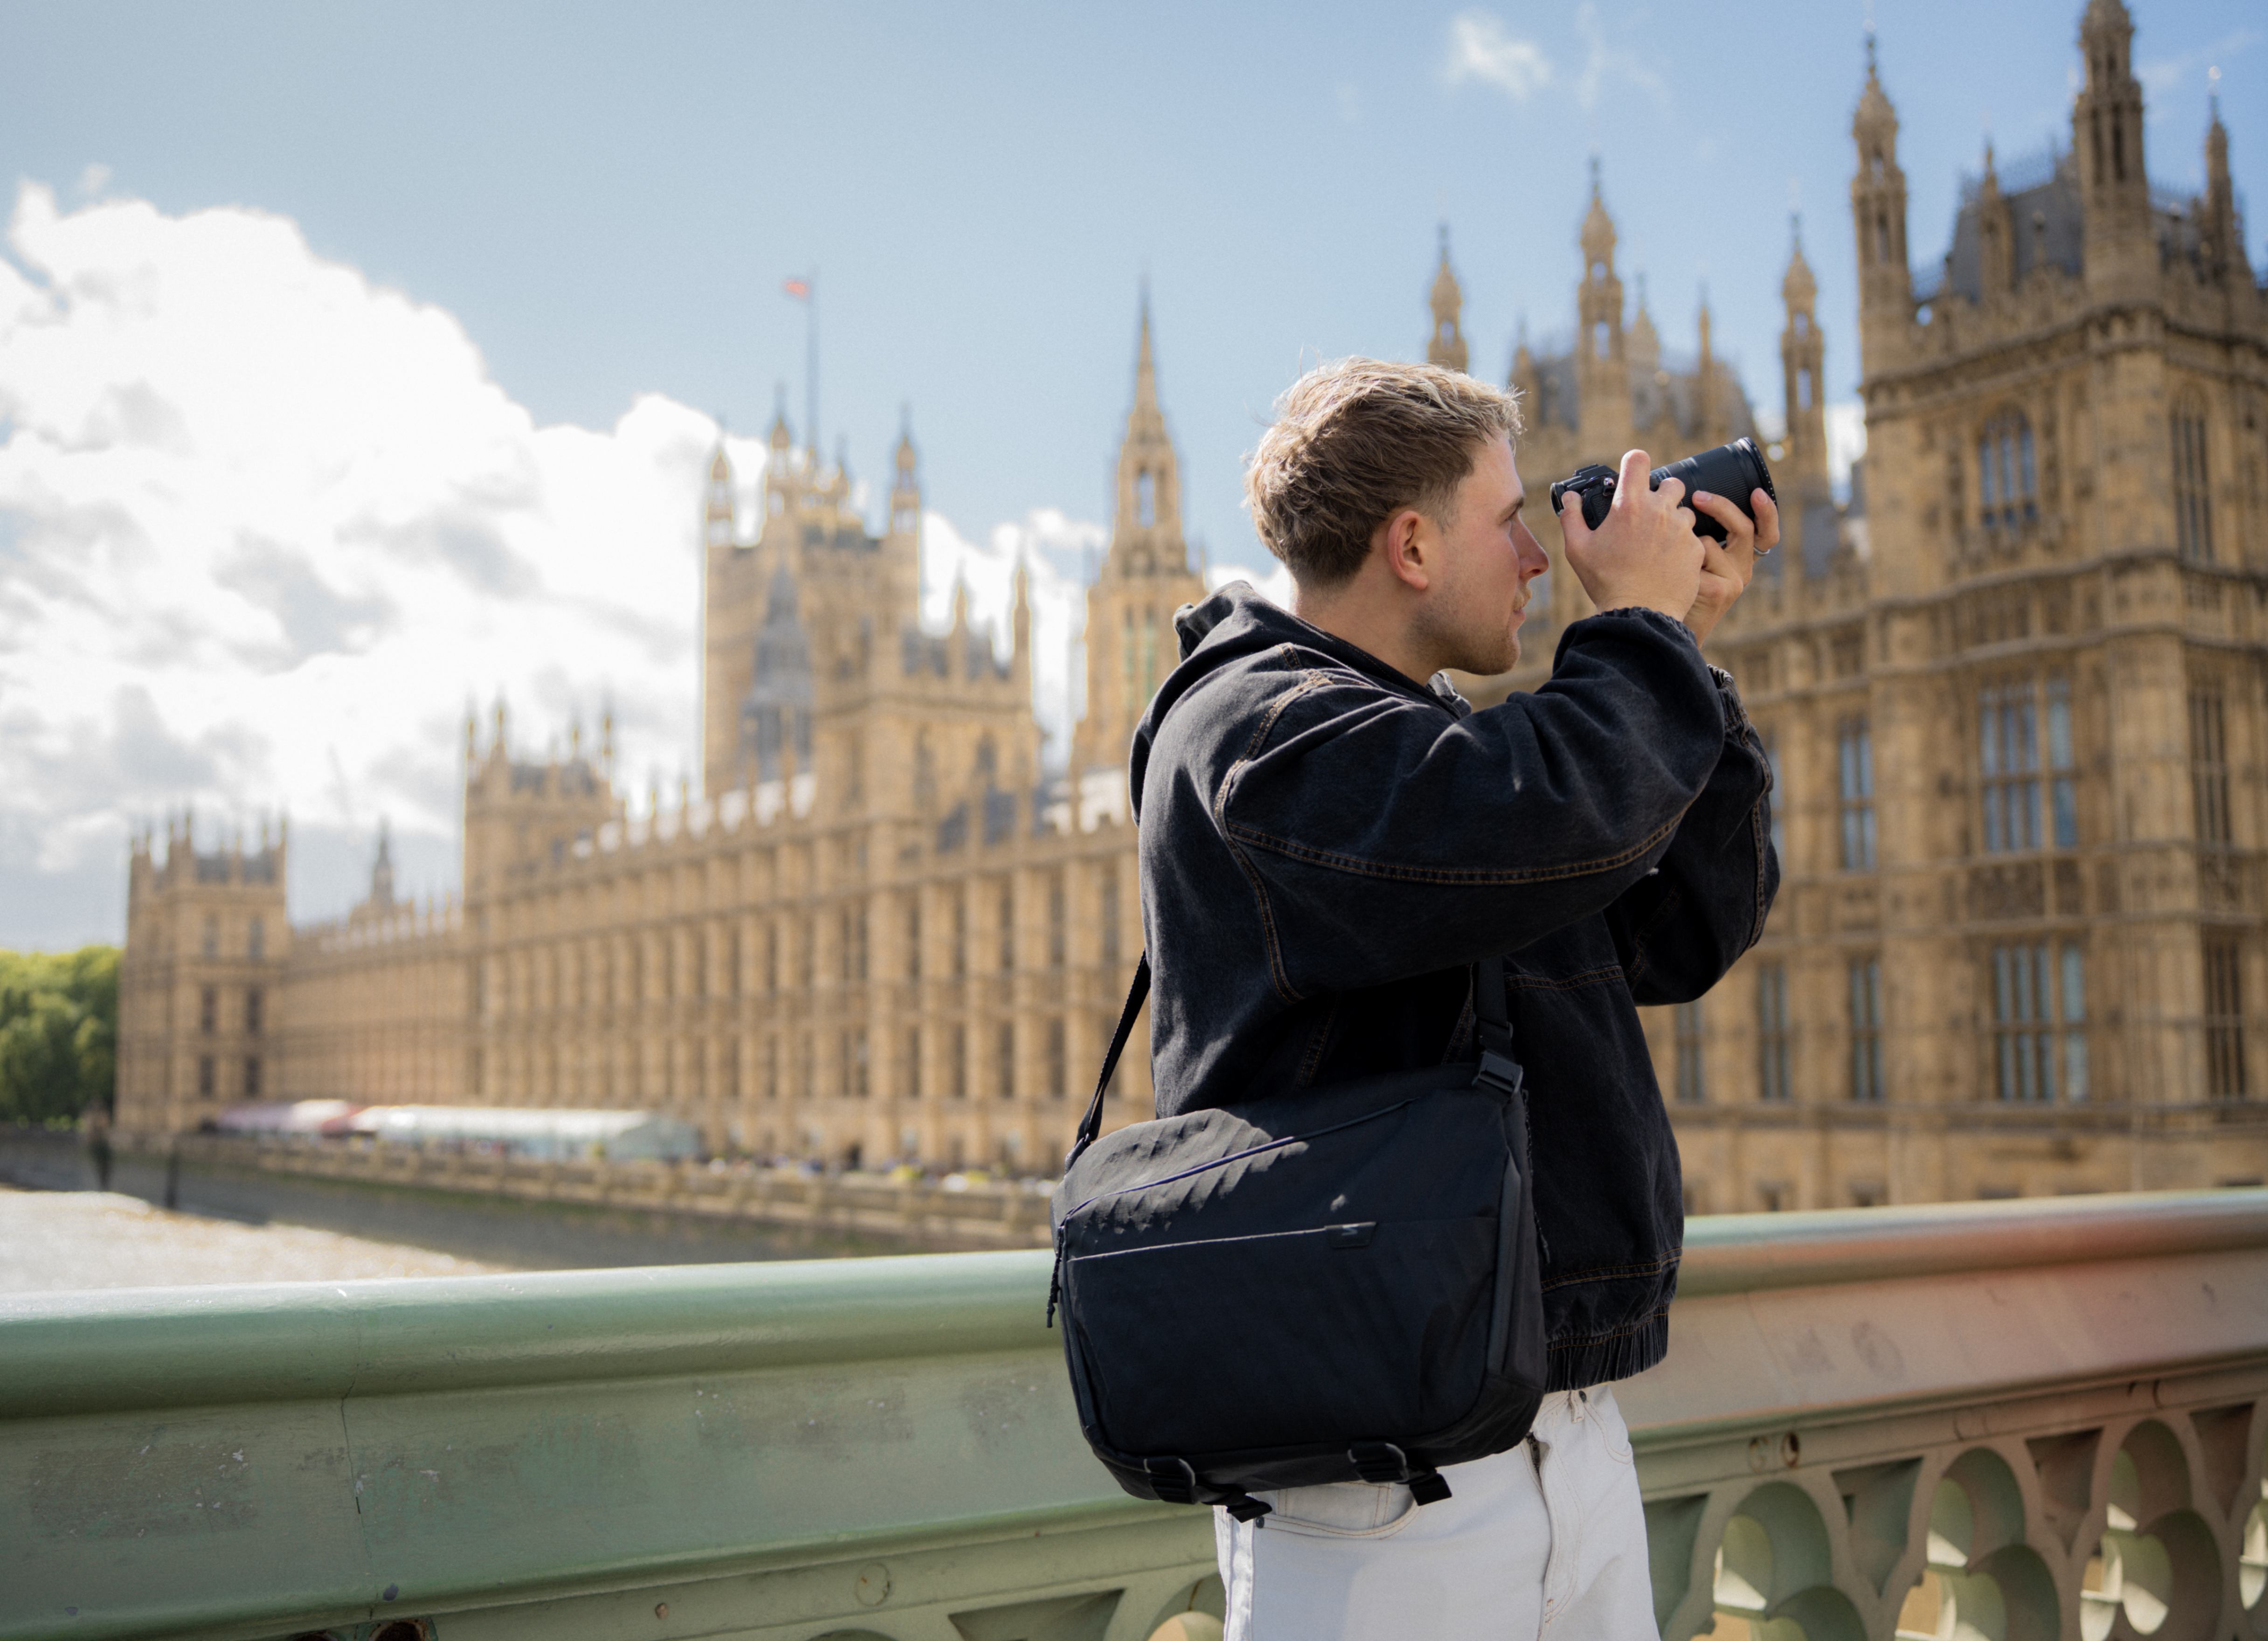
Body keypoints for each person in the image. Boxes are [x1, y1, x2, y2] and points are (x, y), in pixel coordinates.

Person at [1128, 358, 1779, 1636]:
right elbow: (1529, 807)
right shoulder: (1257, 732)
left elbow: (1686, 930)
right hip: (1378, 1485)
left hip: (1558, 1430)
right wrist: (1635, 636)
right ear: (1414, 545)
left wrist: (1680, 646)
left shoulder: (1438, 759)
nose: (1543, 557)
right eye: (1511, 521)